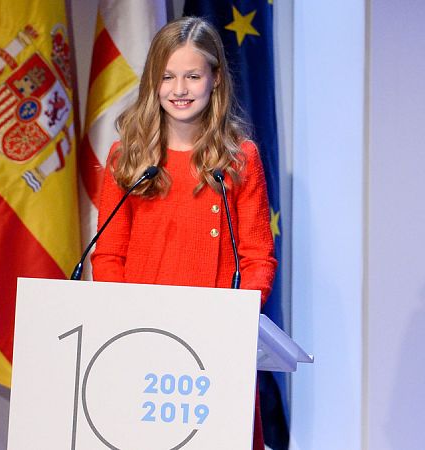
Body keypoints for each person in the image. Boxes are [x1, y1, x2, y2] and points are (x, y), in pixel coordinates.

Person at [91, 16, 277, 449]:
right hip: (141, 339)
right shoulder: (129, 157)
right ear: (153, 82)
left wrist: (234, 314)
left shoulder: (238, 159)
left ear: (215, 80)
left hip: (213, 342)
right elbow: (108, 254)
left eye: (192, 76)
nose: (179, 89)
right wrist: (130, 316)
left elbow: (257, 257)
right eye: (168, 77)